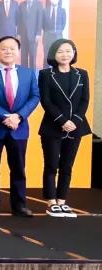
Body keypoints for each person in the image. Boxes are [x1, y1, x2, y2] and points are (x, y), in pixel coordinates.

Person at [0, 36, 39, 217]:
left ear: (18, 51)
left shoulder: (28, 73)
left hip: (19, 128)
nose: (8, 51)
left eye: (12, 48)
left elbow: (35, 97)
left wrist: (19, 116)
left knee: (18, 168)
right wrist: (5, 116)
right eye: (4, 48)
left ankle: (19, 205)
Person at [37, 39, 90, 217]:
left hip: (76, 126)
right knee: (51, 165)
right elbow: (46, 101)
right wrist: (62, 121)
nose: (65, 55)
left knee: (67, 166)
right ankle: (51, 201)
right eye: (60, 51)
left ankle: (62, 201)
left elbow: (85, 100)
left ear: (74, 53)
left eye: (68, 51)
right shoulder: (46, 74)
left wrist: (74, 120)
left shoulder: (82, 74)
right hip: (53, 126)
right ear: (53, 54)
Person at [17, 0, 44, 69]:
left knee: (32, 57)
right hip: (23, 35)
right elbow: (19, 20)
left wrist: (38, 34)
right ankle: (24, 74)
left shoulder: (39, 4)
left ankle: (32, 75)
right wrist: (18, 33)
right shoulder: (22, 5)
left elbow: (40, 20)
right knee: (23, 57)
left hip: (33, 36)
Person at [41, 0, 67, 65]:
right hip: (47, 35)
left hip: (58, 36)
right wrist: (48, 31)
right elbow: (43, 24)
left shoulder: (62, 11)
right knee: (47, 55)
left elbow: (63, 25)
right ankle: (45, 71)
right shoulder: (45, 10)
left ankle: (57, 71)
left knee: (58, 55)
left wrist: (57, 32)